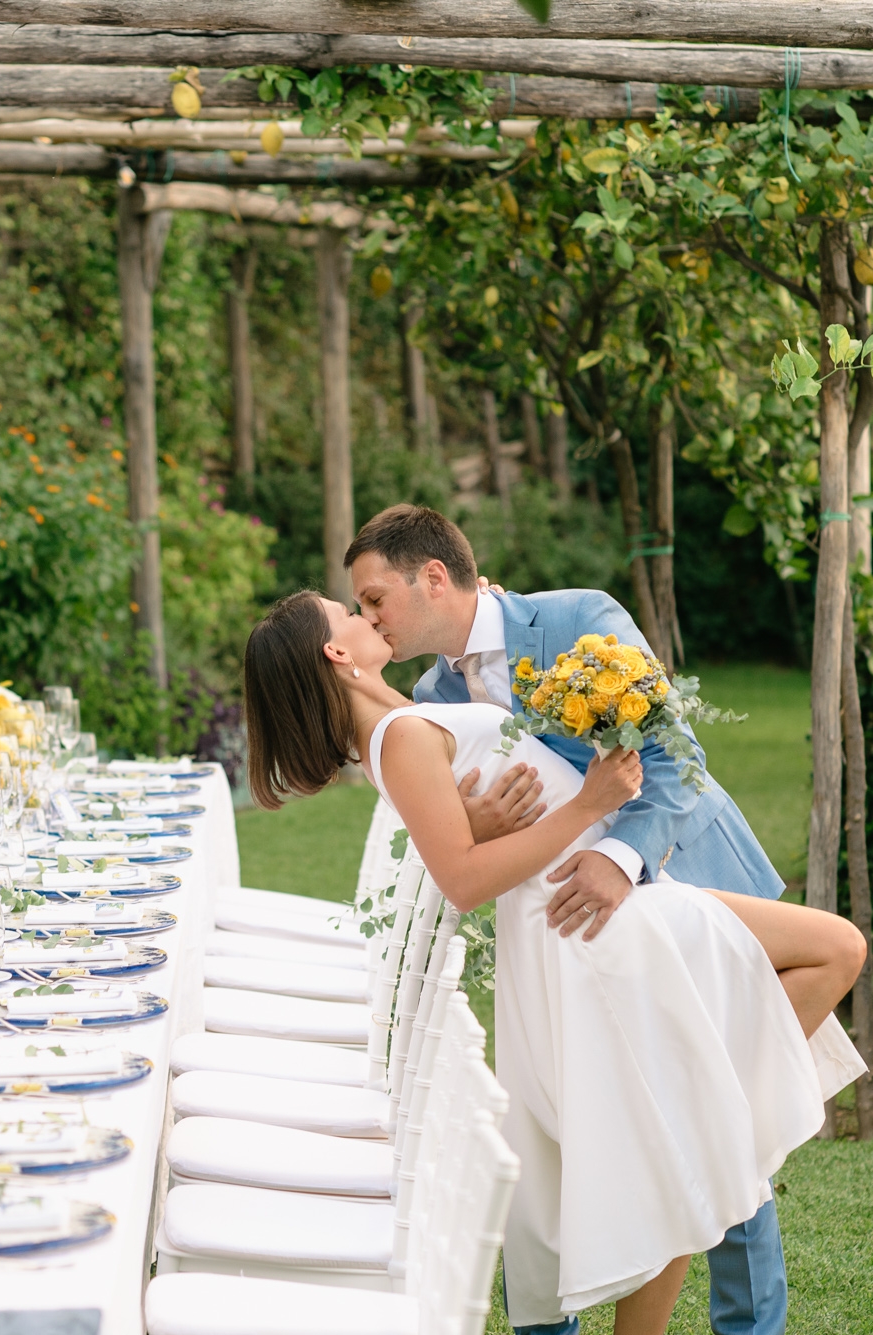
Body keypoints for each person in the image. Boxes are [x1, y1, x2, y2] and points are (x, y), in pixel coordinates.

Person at [242, 589, 867, 1335]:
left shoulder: (403, 721)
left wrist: (491, 818)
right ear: (336, 653)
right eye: (348, 610)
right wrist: (588, 804)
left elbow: (464, 834)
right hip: (600, 922)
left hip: (606, 914)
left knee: (687, 1142)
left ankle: (725, 1110)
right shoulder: (400, 735)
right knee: (831, 954)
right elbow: (465, 878)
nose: (363, 614)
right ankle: (727, 1113)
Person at [343, 503, 795, 1335]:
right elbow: (459, 847)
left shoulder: (579, 617)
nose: (370, 618)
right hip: (580, 943)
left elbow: (674, 758)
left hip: (685, 876)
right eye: (360, 610)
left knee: (721, 1120)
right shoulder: (429, 697)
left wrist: (620, 860)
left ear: (432, 576)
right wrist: (478, 828)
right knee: (635, 1127)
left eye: (375, 599)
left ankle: (751, 1327)